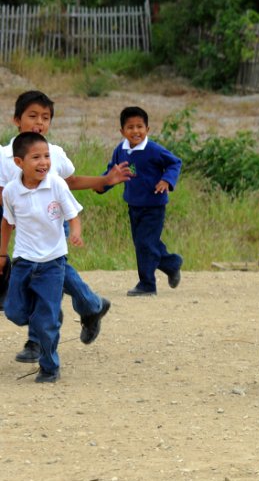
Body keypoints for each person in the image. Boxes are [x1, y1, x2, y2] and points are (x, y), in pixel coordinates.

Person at [0, 91, 122, 362]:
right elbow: (3, 197)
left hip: (55, 225)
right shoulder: (6, 156)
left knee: (48, 273)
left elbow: (72, 181)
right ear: (16, 120)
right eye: (32, 116)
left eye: (45, 118)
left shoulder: (53, 153)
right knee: (49, 275)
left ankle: (36, 341)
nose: (39, 122)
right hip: (26, 231)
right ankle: (91, 306)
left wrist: (105, 180)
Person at [1, 132, 84, 382]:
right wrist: (1, 253)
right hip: (24, 261)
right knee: (14, 311)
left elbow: (73, 215)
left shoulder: (56, 183)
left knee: (45, 322)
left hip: (52, 263)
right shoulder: (12, 191)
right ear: (19, 163)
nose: (44, 162)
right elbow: (7, 223)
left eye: (46, 156)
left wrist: (76, 233)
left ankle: (49, 367)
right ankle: (45, 317)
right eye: (36, 157)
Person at [97, 106, 183, 297]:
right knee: (145, 243)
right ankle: (171, 264)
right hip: (133, 204)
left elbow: (174, 163)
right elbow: (114, 172)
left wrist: (167, 180)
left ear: (147, 129)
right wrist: (101, 184)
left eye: (139, 127)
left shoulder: (153, 150)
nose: (135, 131)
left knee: (145, 244)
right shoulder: (120, 150)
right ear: (122, 131)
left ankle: (147, 284)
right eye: (130, 127)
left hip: (154, 205)